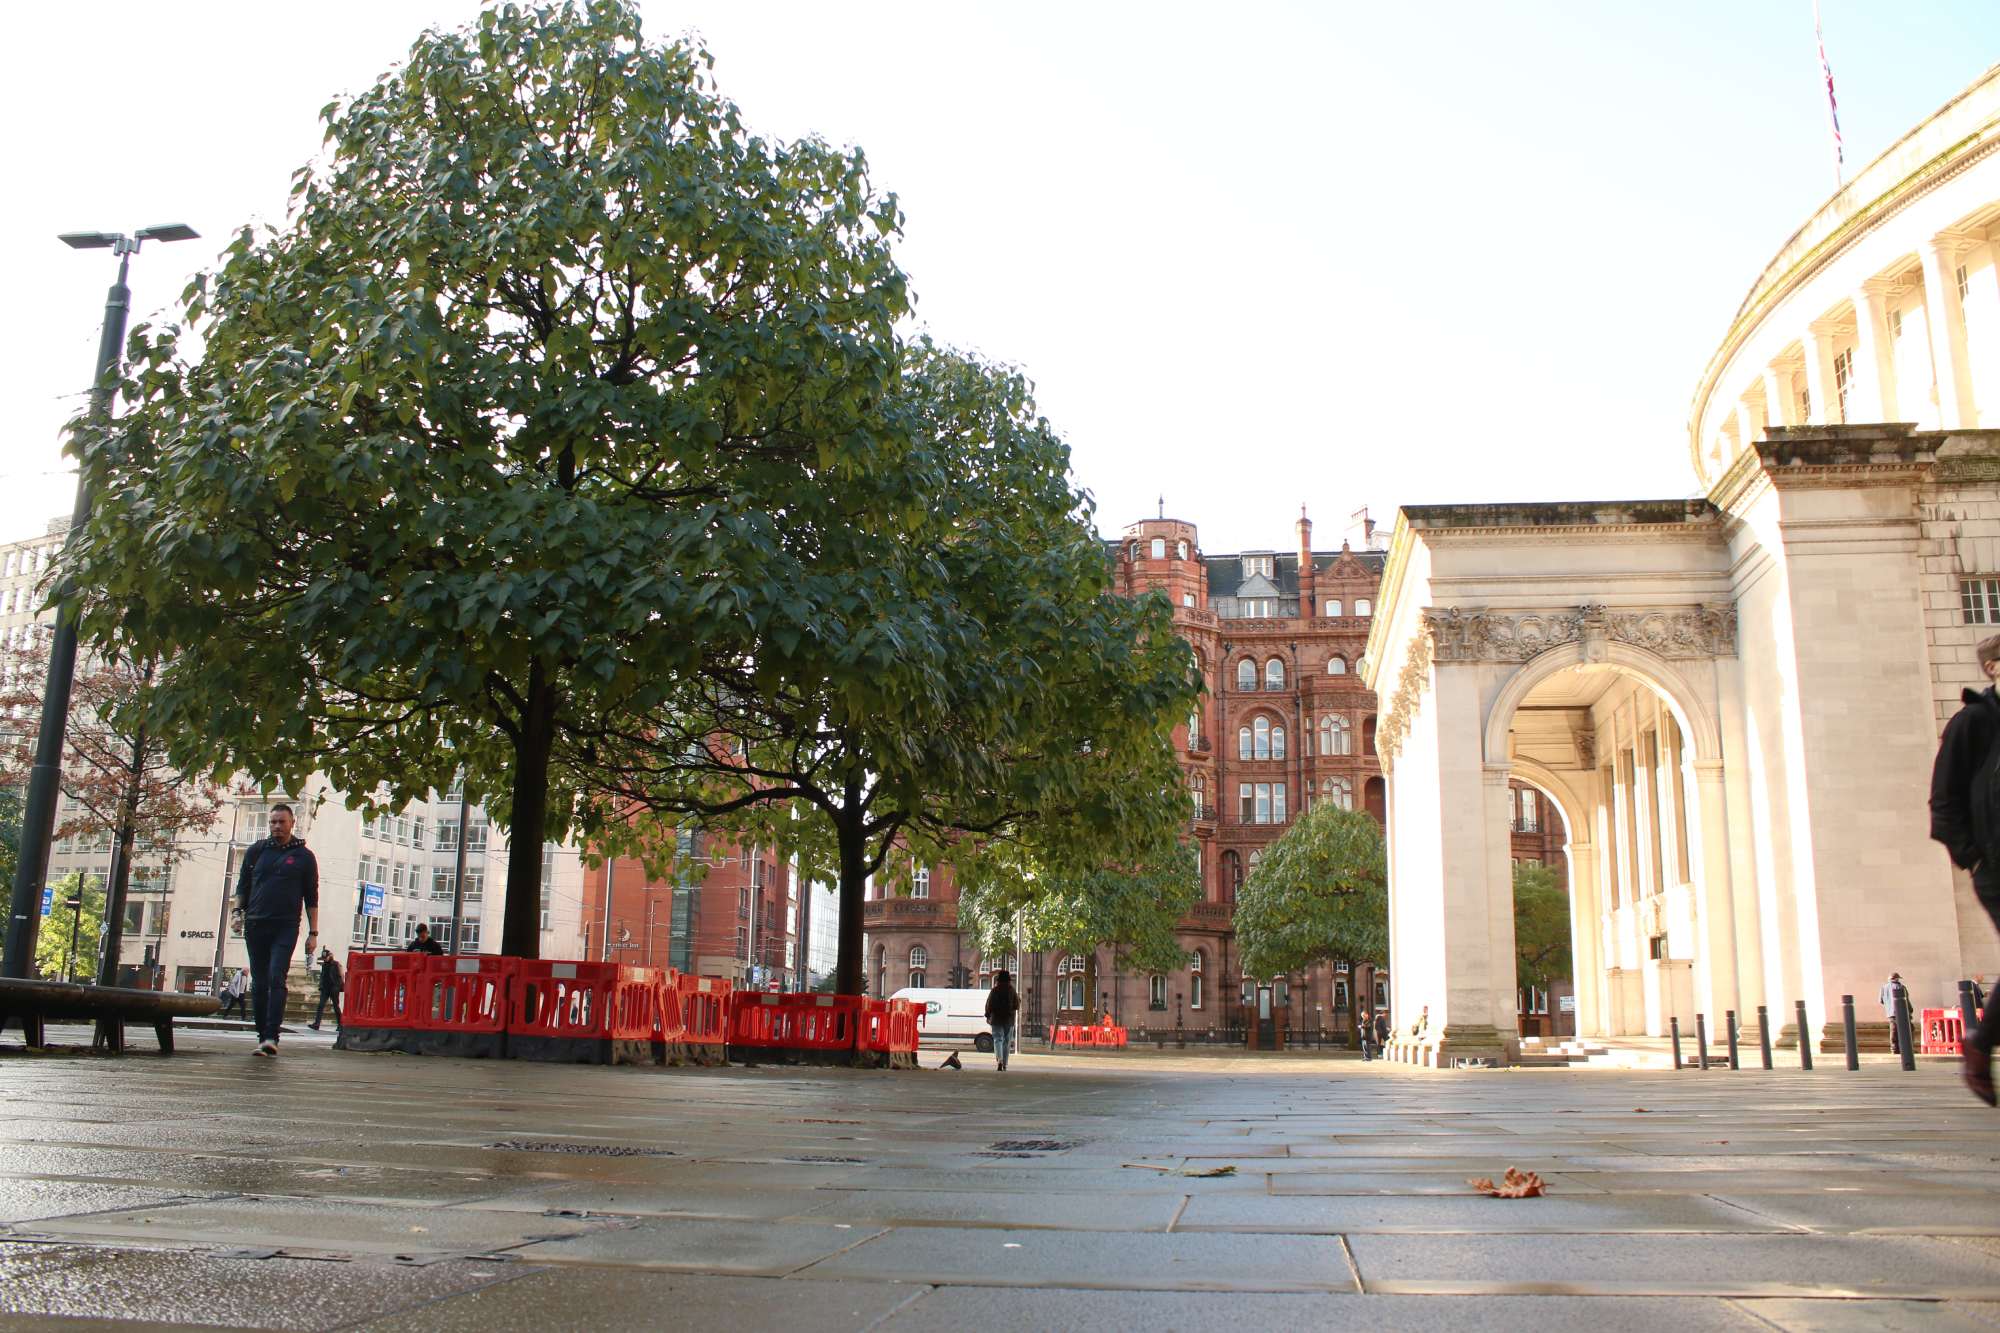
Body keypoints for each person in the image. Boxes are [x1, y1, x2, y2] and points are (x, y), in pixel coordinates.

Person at [232, 804, 320, 1058]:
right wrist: (237, 913)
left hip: (286, 925)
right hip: (256, 924)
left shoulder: (304, 857)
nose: (276, 827)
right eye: (272, 822)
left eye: (281, 822)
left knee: (275, 977)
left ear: (292, 823)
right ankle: (262, 1037)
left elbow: (311, 897)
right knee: (259, 983)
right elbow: (243, 886)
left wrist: (313, 933)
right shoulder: (257, 851)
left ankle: (272, 1036)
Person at [984, 969, 1021, 1072]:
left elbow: (989, 1004)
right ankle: (1004, 1063)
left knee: (997, 1039)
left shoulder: (995, 990)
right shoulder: (1012, 990)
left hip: (996, 1019)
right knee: (1006, 1041)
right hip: (1009, 1020)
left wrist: (987, 1015)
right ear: (1009, 979)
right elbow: (1017, 1005)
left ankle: (999, 1060)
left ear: (998, 979)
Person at [309, 948, 343, 1030]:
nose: (325, 959)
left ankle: (340, 1024)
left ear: (330, 956)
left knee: (336, 1006)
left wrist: (338, 987)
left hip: (334, 988)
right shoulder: (324, 964)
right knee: (321, 1005)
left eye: (326, 957)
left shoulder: (336, 964)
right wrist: (321, 985)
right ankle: (317, 1024)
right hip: (325, 988)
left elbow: (341, 976)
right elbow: (323, 976)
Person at [1880, 972, 1909, 1055]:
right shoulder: (1901, 987)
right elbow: (1906, 1000)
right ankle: (1903, 1048)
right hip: (1901, 1012)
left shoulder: (1883, 988)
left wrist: (1889, 1005)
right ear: (1897, 979)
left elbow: (1881, 1000)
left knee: (1893, 1030)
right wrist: (1910, 1010)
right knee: (1905, 1030)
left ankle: (1894, 1048)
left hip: (1890, 1013)